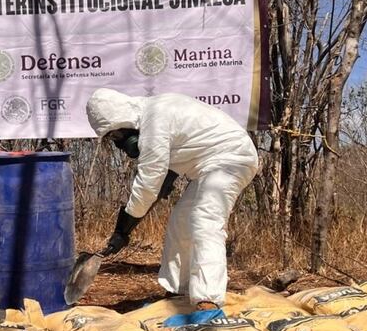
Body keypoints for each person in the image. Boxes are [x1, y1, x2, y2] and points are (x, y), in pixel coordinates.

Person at [85, 87, 259, 309]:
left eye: (118, 135)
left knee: (205, 220)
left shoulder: (154, 120)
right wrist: (126, 228)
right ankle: (179, 291)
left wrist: (122, 230)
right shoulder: (153, 115)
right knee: (180, 222)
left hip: (232, 159)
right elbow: (160, 184)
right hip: (208, 166)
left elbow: (148, 185)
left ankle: (208, 300)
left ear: (122, 119)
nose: (120, 144)